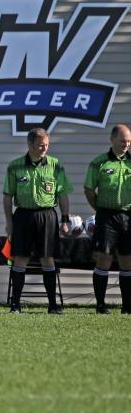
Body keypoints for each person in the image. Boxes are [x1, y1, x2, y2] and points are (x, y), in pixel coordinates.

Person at [3, 128, 72, 314]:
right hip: (23, 216)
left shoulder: (56, 165)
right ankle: (15, 305)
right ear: (29, 144)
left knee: (47, 259)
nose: (44, 148)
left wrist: (65, 219)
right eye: (40, 145)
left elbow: (63, 193)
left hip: (47, 215)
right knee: (20, 259)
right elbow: (7, 196)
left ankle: (52, 305)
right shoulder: (15, 166)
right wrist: (9, 221)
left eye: (47, 145)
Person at [85, 124, 131, 314]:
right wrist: (100, 210)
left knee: (127, 261)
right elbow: (89, 189)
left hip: (128, 216)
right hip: (106, 216)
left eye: (129, 141)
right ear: (112, 140)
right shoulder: (99, 163)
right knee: (104, 259)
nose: (126, 145)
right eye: (122, 141)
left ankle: (127, 306)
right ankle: (100, 305)